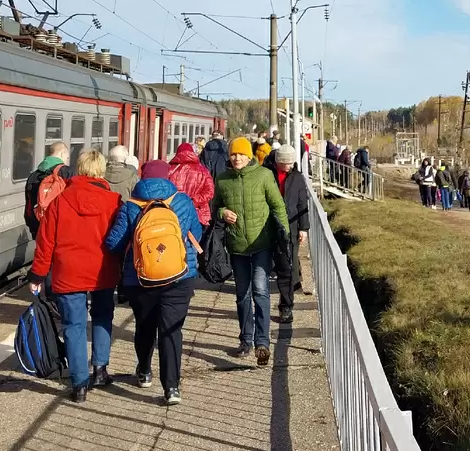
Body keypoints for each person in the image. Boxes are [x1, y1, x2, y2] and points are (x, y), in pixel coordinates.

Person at [27, 149, 122, 402]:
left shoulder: (60, 201)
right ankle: (100, 369)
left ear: (79, 169)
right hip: (103, 270)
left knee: (74, 326)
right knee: (102, 317)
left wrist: (37, 275)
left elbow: (45, 243)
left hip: (69, 273)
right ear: (102, 171)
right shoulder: (114, 201)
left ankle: (79, 385)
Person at [105, 160, 201, 405]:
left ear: (142, 177)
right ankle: (171, 387)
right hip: (179, 276)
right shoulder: (182, 201)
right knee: (171, 330)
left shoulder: (130, 206)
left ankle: (144, 371)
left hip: (141, 278)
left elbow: (114, 244)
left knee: (145, 327)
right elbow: (196, 235)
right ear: (167, 177)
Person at [214, 137, 290, 366]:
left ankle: (262, 343)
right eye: (233, 154)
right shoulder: (223, 179)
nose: (237, 158)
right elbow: (215, 207)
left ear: (249, 156)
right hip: (236, 246)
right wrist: (223, 213)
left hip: (261, 245)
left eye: (241, 154)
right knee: (242, 295)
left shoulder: (264, 176)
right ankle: (246, 340)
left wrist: (285, 235)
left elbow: (278, 206)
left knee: (260, 291)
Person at [273, 144, 311, 323]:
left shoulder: (297, 178)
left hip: (291, 226)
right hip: (268, 226)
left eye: (291, 162)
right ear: (278, 161)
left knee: (288, 267)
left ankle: (286, 306)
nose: (288, 165)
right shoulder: (267, 174)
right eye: (285, 162)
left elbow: (302, 204)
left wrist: (304, 228)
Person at [24, 142, 75, 239]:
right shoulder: (68, 173)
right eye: (67, 157)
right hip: (61, 230)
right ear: (62, 153)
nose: (67, 160)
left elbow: (29, 207)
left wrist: (34, 229)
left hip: (39, 228)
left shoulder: (33, 176)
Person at [169, 143, 214, 227]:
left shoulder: (170, 170)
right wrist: (194, 201)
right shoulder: (203, 170)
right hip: (198, 213)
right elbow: (210, 192)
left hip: (174, 212)